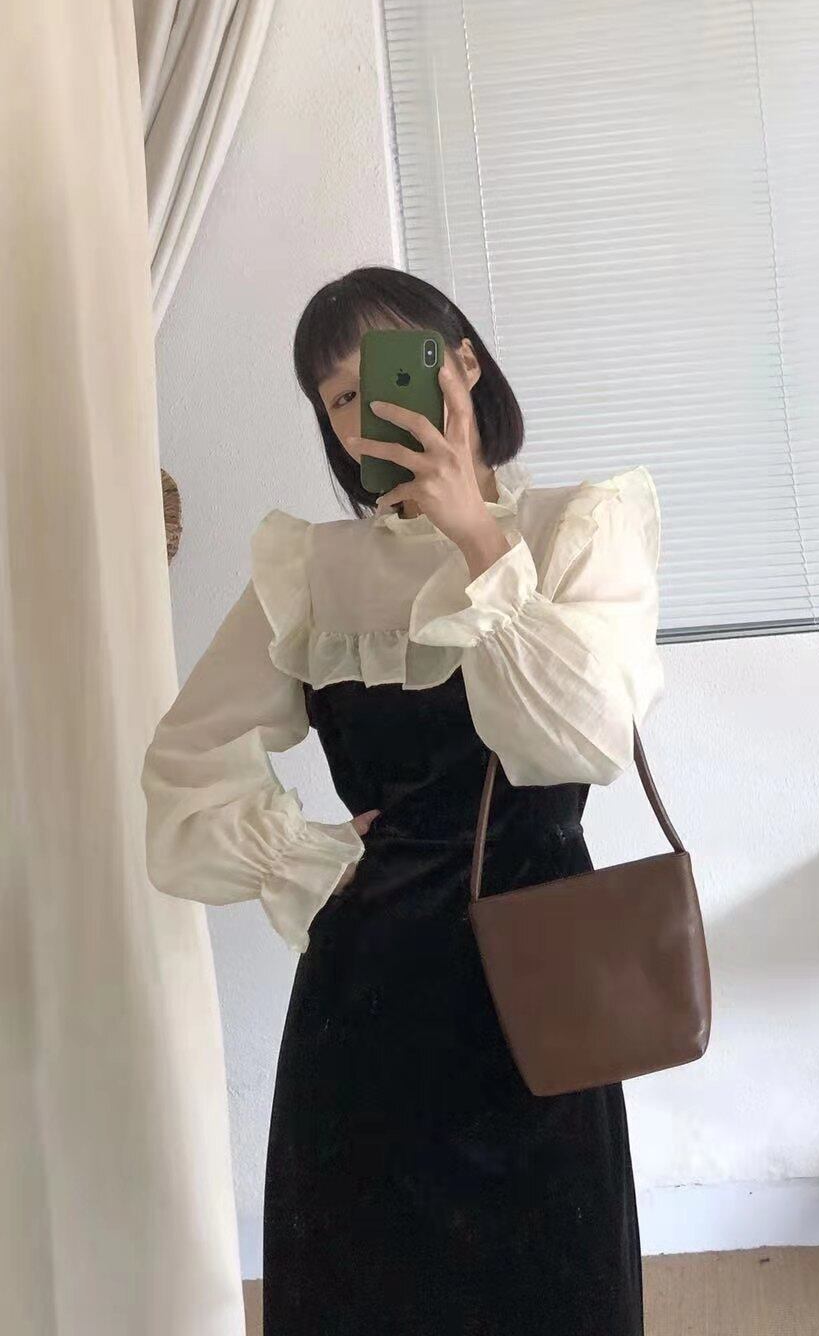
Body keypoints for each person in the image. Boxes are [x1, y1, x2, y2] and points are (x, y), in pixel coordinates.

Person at [141, 266, 665, 1335]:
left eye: (390, 372)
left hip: (540, 981)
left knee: (551, 1281)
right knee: (368, 1285)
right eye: (338, 397)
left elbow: (587, 739)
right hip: (369, 989)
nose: (363, 410)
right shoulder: (316, 571)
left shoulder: (576, 529)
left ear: (461, 364)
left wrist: (481, 540)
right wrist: (311, 853)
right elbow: (186, 764)